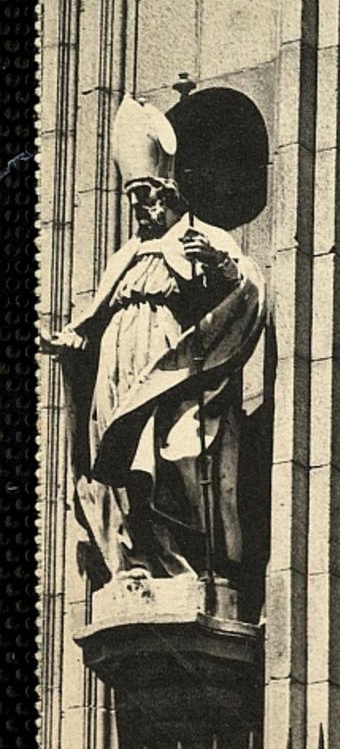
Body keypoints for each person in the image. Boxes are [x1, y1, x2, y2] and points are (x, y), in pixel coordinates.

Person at [39, 95, 266, 593]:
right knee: (116, 461)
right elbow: (95, 318)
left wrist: (215, 266)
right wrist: (72, 341)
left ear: (173, 193)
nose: (142, 208)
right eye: (134, 198)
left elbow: (244, 287)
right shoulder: (126, 256)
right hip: (117, 372)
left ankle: (183, 564)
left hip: (168, 368)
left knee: (171, 460)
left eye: (150, 196)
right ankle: (132, 558)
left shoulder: (202, 237)